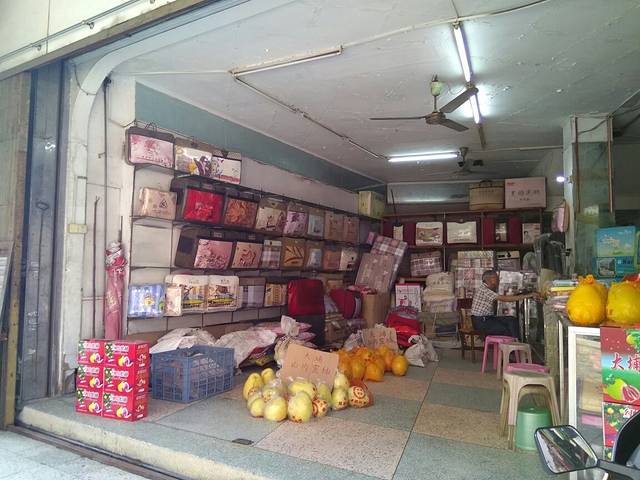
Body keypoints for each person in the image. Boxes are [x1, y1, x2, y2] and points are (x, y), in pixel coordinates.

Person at [471, 269, 539, 338]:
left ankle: (516, 341)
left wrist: (524, 295)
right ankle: (511, 343)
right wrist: (528, 295)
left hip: (487, 318)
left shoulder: (487, 289)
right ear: (491, 279)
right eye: (496, 278)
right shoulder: (485, 290)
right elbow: (505, 299)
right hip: (481, 322)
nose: (498, 280)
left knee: (511, 320)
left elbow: (506, 297)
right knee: (505, 330)